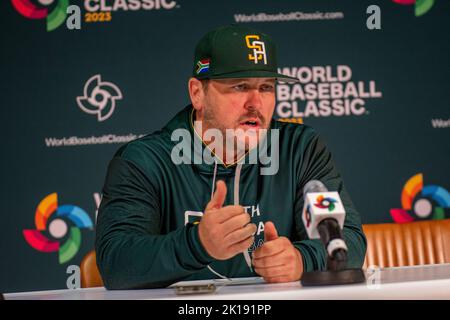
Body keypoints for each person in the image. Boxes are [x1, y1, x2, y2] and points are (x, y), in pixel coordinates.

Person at [95, 24, 367, 289]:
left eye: (266, 88)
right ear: (197, 93)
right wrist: (198, 244)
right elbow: (116, 264)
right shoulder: (144, 161)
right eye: (239, 86)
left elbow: (349, 241)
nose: (255, 103)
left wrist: (300, 259)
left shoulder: (300, 148)